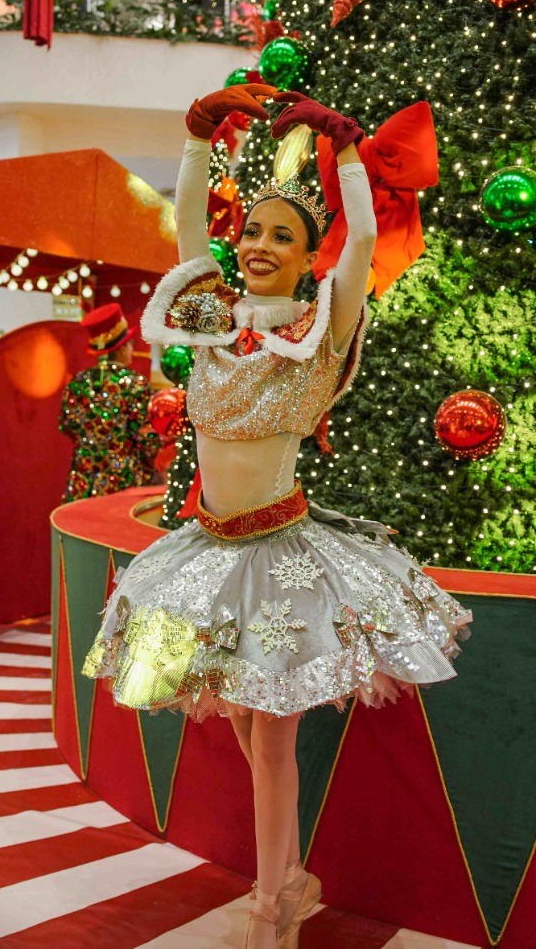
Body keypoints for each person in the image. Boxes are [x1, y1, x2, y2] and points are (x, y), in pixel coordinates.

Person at [80, 84, 471, 949]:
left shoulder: (322, 329)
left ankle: (271, 904)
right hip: (208, 554)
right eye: (250, 230)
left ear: (306, 257)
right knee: (251, 737)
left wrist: (348, 155)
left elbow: (362, 238)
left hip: (285, 562)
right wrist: (193, 139)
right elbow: (187, 231)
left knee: (273, 743)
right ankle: (285, 881)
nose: (257, 245)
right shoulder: (213, 319)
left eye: (280, 236)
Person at [59, 304, 158, 501]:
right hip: (126, 484)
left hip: (83, 482)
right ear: (120, 349)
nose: (132, 349)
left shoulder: (78, 382)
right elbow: (147, 437)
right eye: (130, 344)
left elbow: (67, 424)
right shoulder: (135, 384)